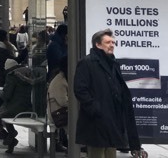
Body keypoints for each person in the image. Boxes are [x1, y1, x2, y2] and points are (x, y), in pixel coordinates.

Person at [74, 28, 144, 158]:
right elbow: (80, 89)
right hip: (97, 121)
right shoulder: (87, 62)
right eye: (108, 42)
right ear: (98, 44)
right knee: (97, 153)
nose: (112, 45)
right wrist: (95, 109)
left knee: (111, 153)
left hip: (112, 120)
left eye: (113, 42)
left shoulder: (113, 62)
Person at [48, 55, 69, 153]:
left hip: (60, 111)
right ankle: (77, 149)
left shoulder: (61, 78)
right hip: (58, 114)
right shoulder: (60, 81)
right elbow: (63, 102)